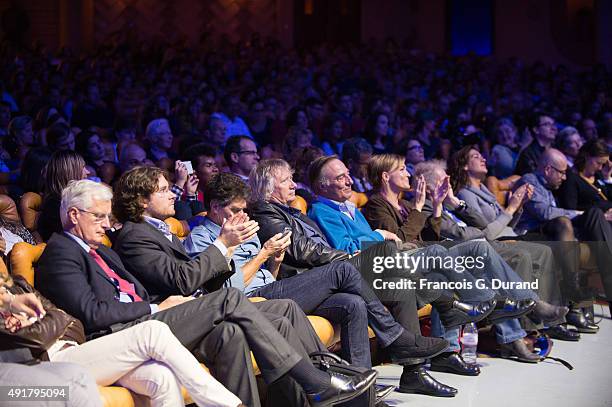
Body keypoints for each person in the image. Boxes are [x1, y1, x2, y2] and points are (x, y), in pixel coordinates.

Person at [36, 179, 377, 407]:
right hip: (122, 334)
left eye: (107, 216)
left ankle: (314, 391)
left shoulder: (105, 251)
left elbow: (141, 290)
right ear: (72, 214)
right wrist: (152, 308)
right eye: (98, 216)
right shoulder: (61, 252)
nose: (106, 223)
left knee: (231, 333)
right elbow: (92, 314)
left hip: (156, 316)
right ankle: (314, 381)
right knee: (230, 300)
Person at [248, 159, 532, 397]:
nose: (294, 185)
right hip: (309, 281)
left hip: (329, 278)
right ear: (269, 187)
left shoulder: (294, 212)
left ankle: (378, 387)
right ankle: (450, 311)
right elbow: (302, 249)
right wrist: (345, 259)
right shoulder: (266, 211)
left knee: (383, 293)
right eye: (287, 181)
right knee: (396, 252)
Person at [184, 172, 449, 371]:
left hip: (272, 288)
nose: (242, 216)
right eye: (235, 210)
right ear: (215, 208)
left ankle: (361, 390)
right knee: (345, 269)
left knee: (352, 303)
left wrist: (274, 261)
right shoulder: (201, 238)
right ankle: (396, 336)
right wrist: (263, 254)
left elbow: (267, 276)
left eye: (243, 210)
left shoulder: (245, 230)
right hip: (249, 302)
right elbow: (230, 290)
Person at [1, 276, 244, 407]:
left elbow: (72, 322)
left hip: (78, 349)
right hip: (48, 364)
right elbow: (24, 345)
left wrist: (39, 326)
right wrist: (48, 324)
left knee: (161, 377)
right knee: (153, 331)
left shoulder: (19, 285)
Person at [515, 148, 612, 321]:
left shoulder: (551, 187)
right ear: (547, 169)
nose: (565, 177)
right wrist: (579, 214)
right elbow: (544, 213)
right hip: (532, 232)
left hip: (553, 234)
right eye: (562, 173)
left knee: (595, 215)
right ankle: (574, 291)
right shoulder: (529, 181)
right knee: (565, 221)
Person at [38, 150, 90, 241]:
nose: (88, 172)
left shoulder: (72, 201)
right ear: (70, 172)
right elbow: (78, 237)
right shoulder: (55, 206)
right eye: (83, 167)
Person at [556, 139, 612, 212]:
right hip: (592, 221)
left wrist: (607, 178)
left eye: (603, 164)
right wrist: (603, 215)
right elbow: (570, 210)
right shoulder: (571, 179)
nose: (600, 168)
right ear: (587, 157)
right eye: (598, 163)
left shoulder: (599, 175)